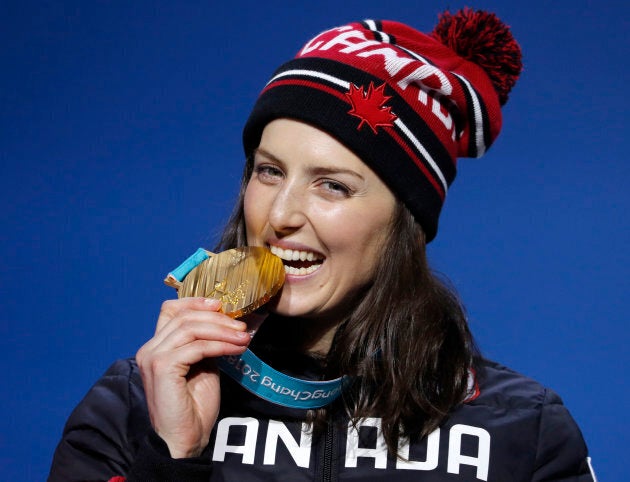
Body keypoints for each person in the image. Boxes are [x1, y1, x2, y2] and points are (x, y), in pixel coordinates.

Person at [49, 8, 596, 481]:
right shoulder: (136, 401)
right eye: (268, 172)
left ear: (405, 221)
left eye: (332, 185)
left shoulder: (523, 429)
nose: (280, 215)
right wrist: (171, 457)